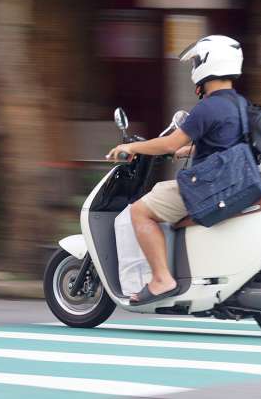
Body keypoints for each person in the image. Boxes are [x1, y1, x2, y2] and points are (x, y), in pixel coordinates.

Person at [106, 35, 248, 305]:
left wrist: (134, 148)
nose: (194, 67)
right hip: (231, 181)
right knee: (160, 196)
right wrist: (191, 150)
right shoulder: (239, 104)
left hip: (208, 186)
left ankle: (161, 279)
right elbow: (228, 145)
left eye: (196, 60)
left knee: (140, 211)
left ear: (207, 62)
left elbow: (170, 142)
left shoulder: (209, 106)